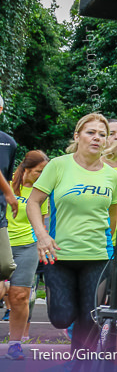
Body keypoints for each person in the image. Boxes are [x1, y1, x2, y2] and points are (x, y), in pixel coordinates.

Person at [27, 113, 117, 352]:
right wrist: (42, 236)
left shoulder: (113, 176)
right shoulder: (58, 165)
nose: (97, 138)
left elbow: (114, 216)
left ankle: (79, 363)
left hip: (98, 256)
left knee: (90, 320)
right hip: (59, 255)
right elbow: (33, 202)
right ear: (77, 136)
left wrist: (105, 241)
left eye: (102, 134)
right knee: (62, 317)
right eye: (91, 132)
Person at [3, 151, 48, 360]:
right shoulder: (7, 182)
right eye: (39, 171)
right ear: (27, 169)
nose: (43, 175)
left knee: (20, 296)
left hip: (26, 247)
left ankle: (15, 344)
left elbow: (42, 219)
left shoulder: (41, 192)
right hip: (3, 242)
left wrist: (43, 241)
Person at [0, 93, 18, 282]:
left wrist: (7, 193)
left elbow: (7, 175)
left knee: (5, 266)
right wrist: (8, 192)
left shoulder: (8, 143)